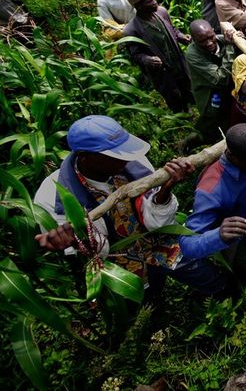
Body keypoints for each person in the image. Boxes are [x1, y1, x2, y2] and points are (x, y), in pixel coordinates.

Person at [33, 115, 227, 297]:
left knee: (205, 275)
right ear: (85, 156)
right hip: (119, 265)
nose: (125, 158)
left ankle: (224, 295)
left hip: (158, 242)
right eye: (114, 154)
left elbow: (156, 222)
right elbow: (98, 252)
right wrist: (78, 241)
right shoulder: (53, 197)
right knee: (144, 298)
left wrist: (165, 190)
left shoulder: (134, 163)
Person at [179, 123, 246, 284]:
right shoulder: (211, 190)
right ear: (234, 157)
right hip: (242, 241)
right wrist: (218, 235)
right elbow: (187, 245)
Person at [123, 0, 193, 112]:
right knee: (174, 96)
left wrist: (182, 36)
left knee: (187, 86)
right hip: (163, 72)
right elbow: (136, 55)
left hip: (178, 63)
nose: (155, 2)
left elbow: (172, 29)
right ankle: (182, 119)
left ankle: (190, 107)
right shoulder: (132, 30)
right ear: (139, 6)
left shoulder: (161, 12)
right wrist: (148, 60)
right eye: (149, 1)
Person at [185, 19, 236, 144]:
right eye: (202, 41)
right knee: (212, 120)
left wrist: (237, 38)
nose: (209, 43)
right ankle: (199, 140)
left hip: (227, 90)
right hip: (209, 93)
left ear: (213, 31)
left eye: (210, 37)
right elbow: (220, 78)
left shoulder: (219, 40)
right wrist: (230, 48)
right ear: (193, 40)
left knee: (228, 116)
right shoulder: (192, 54)